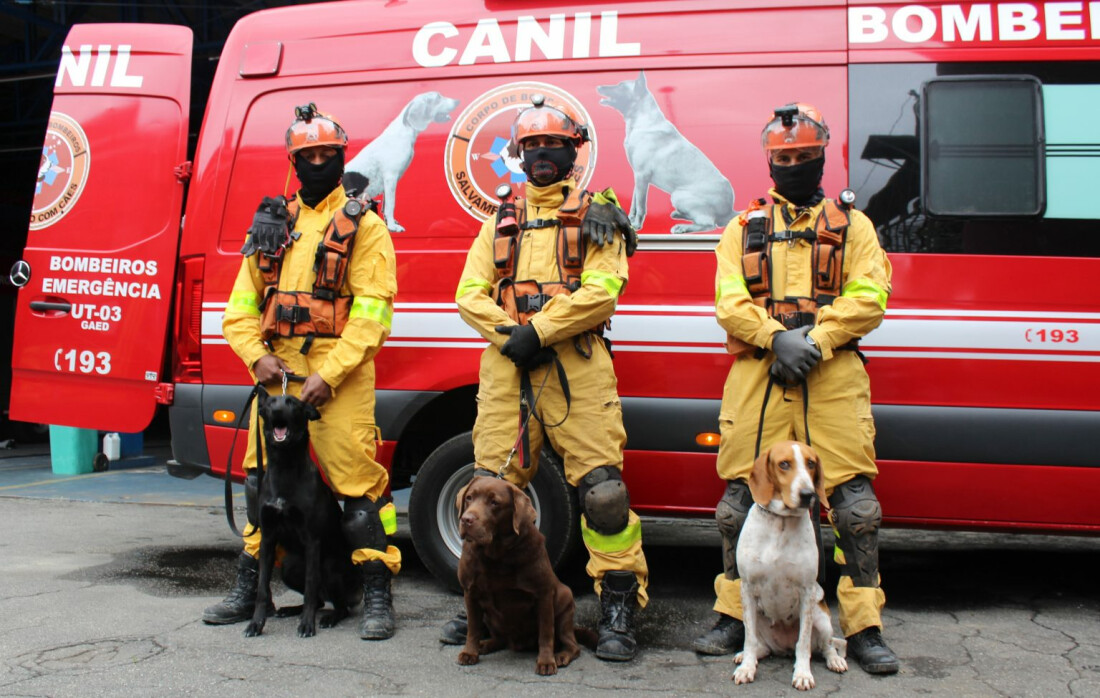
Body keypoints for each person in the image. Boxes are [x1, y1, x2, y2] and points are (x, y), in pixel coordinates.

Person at [692, 103, 899, 674]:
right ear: (769, 161)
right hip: (758, 376)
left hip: (830, 378)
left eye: (805, 157)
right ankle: (734, 616)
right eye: (783, 158)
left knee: (856, 512)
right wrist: (775, 339)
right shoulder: (742, 228)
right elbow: (729, 301)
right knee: (738, 506)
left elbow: (870, 297)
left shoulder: (853, 226)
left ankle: (863, 626)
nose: (794, 166)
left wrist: (815, 341)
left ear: (822, 158)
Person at [444, 95, 647, 661]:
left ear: (574, 150)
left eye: (551, 145)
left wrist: (543, 331)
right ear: (516, 154)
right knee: (487, 490)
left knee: (604, 494)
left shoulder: (598, 216)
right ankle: (481, 607)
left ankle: (617, 607)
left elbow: (604, 288)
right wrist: (514, 334)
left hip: (577, 370)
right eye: (530, 146)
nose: (541, 156)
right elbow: (467, 294)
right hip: (509, 368)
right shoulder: (498, 223)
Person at [203, 103, 401, 640]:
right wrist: (256, 356)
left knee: (358, 488)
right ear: (293, 161)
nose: (317, 163)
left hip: (339, 377)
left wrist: (330, 374)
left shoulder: (366, 226)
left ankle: (376, 589)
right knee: (259, 483)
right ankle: (252, 586)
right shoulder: (272, 227)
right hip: (277, 379)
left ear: (341, 157)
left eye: (327, 155)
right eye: (307, 155)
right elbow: (239, 310)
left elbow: (373, 313)